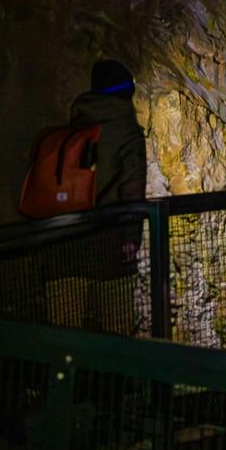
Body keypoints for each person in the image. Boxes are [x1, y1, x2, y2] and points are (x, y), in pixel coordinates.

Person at [42, 59, 149, 333]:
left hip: (63, 248)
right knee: (118, 342)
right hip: (108, 248)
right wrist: (130, 238)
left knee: (64, 344)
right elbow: (132, 189)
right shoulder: (128, 134)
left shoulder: (72, 129)